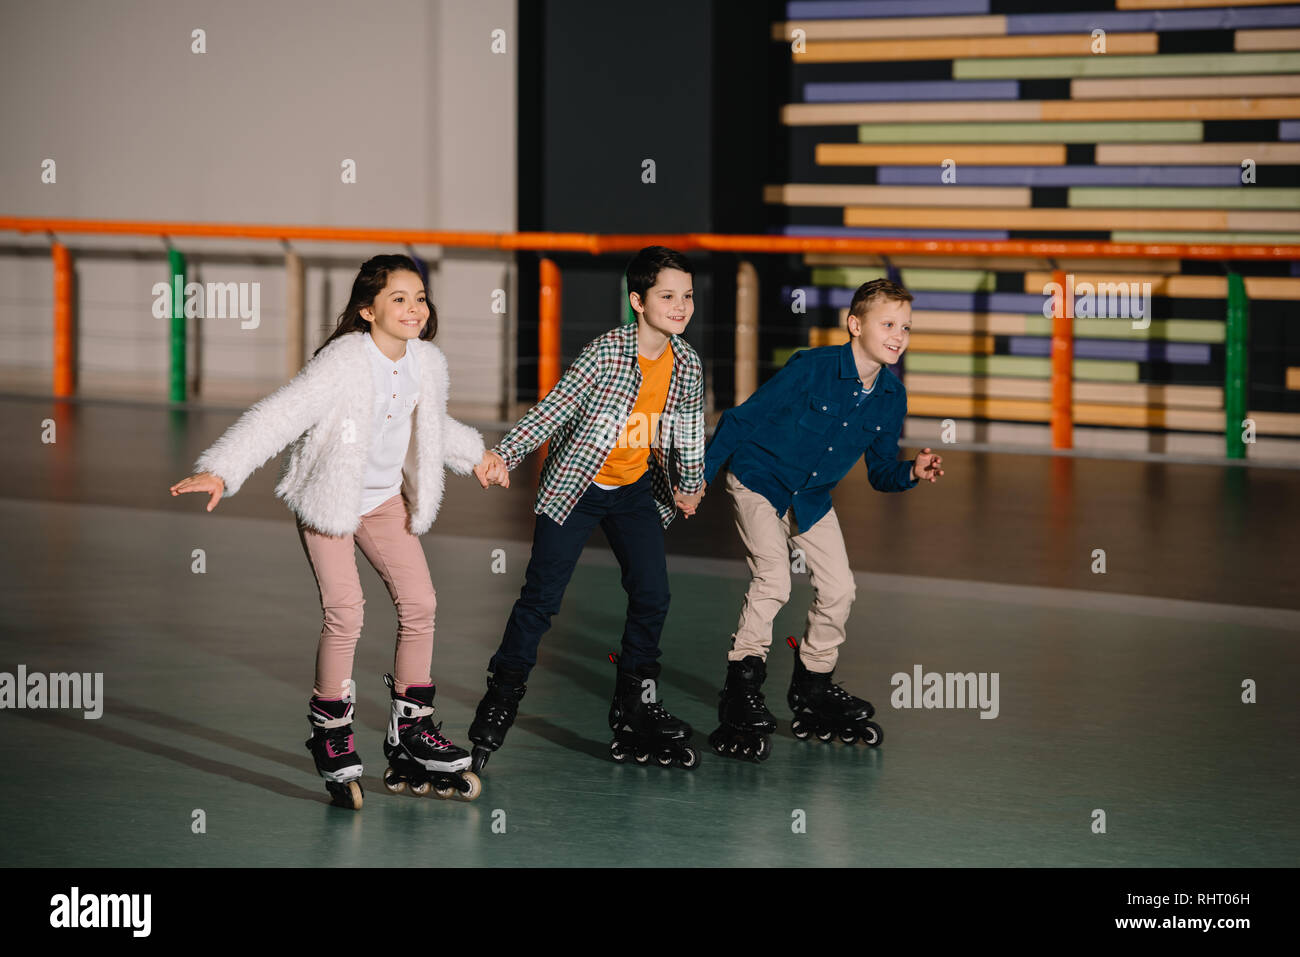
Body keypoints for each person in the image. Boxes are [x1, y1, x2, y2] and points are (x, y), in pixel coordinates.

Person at [169, 254, 495, 808]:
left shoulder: (426, 362)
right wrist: (222, 467)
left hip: (385, 501)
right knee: (346, 611)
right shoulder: (343, 364)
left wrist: (479, 456)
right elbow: (281, 413)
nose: (414, 308)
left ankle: (410, 730)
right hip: (330, 500)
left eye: (419, 297)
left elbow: (431, 425)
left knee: (421, 603)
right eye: (399, 298)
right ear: (367, 311)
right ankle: (331, 729)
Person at [470, 245, 706, 771]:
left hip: (634, 491)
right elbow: (553, 410)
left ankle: (634, 706)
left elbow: (688, 431)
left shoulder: (686, 363)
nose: (681, 306)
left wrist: (690, 485)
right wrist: (504, 454)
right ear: (638, 301)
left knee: (653, 594)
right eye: (668, 296)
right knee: (541, 601)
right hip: (577, 488)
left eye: (688, 296)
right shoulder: (605, 354)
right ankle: (501, 697)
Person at [701, 278, 944, 761]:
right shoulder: (811, 368)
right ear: (855, 325)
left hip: (809, 497)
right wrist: (698, 481)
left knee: (840, 589)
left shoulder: (891, 397)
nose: (899, 335)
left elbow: (880, 473)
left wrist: (911, 472)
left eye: (907, 327)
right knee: (773, 578)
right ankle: (740, 691)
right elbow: (739, 421)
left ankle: (812, 686)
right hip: (759, 480)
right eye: (888, 324)